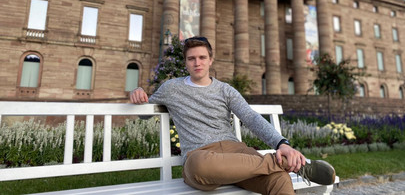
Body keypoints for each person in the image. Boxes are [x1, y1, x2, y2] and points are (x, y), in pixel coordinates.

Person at [130, 36, 335, 194]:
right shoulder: (171, 88)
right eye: (191, 59)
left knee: (280, 180)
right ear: (185, 62)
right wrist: (139, 94)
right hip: (202, 156)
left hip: (237, 154)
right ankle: (283, 162)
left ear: (210, 60)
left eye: (202, 57)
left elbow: (251, 118)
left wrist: (282, 144)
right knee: (199, 165)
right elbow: (146, 114)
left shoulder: (225, 90)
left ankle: (281, 164)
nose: (197, 63)